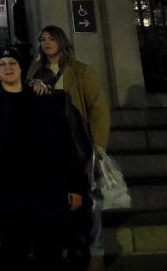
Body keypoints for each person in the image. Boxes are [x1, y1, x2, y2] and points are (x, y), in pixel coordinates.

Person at [0, 48, 87, 270]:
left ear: (21, 68)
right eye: (2, 64)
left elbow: (65, 145)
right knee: (13, 249)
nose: (7, 68)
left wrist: (74, 185)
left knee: (49, 248)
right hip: (8, 188)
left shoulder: (43, 98)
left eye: (12, 63)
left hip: (46, 187)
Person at [27, 25, 111, 271]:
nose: (46, 43)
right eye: (42, 39)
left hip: (80, 143)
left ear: (61, 41)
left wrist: (98, 145)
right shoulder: (35, 70)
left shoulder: (81, 71)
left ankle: (96, 251)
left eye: (51, 38)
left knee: (92, 199)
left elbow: (98, 108)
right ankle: (62, 246)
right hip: (50, 147)